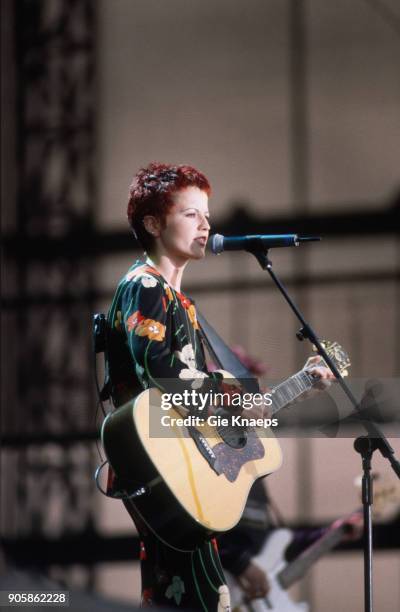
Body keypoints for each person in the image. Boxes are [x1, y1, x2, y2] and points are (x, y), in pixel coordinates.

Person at [104, 162, 337, 610]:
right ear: (153, 223)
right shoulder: (145, 285)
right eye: (191, 214)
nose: (206, 224)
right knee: (200, 594)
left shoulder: (179, 302)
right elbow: (157, 366)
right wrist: (225, 399)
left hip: (180, 466)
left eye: (206, 214)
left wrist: (288, 391)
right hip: (163, 462)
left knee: (184, 593)